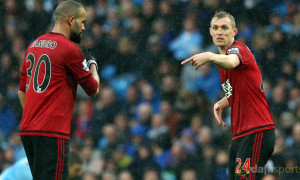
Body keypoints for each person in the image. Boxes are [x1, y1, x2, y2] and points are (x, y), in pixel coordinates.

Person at [181, 11, 275, 180]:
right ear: (210, 32)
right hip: (240, 135)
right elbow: (240, 92)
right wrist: (221, 103)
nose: (220, 32)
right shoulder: (221, 61)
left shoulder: (238, 50)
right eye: (215, 28)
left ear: (234, 32)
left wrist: (209, 55)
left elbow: (232, 61)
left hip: (257, 131)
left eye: (225, 28)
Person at [17, 1, 100, 179]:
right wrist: (92, 64)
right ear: (71, 20)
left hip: (28, 132)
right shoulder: (69, 49)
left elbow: (21, 92)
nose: (84, 27)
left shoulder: (33, 45)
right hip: (52, 133)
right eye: (82, 21)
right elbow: (93, 89)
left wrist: (36, 119)